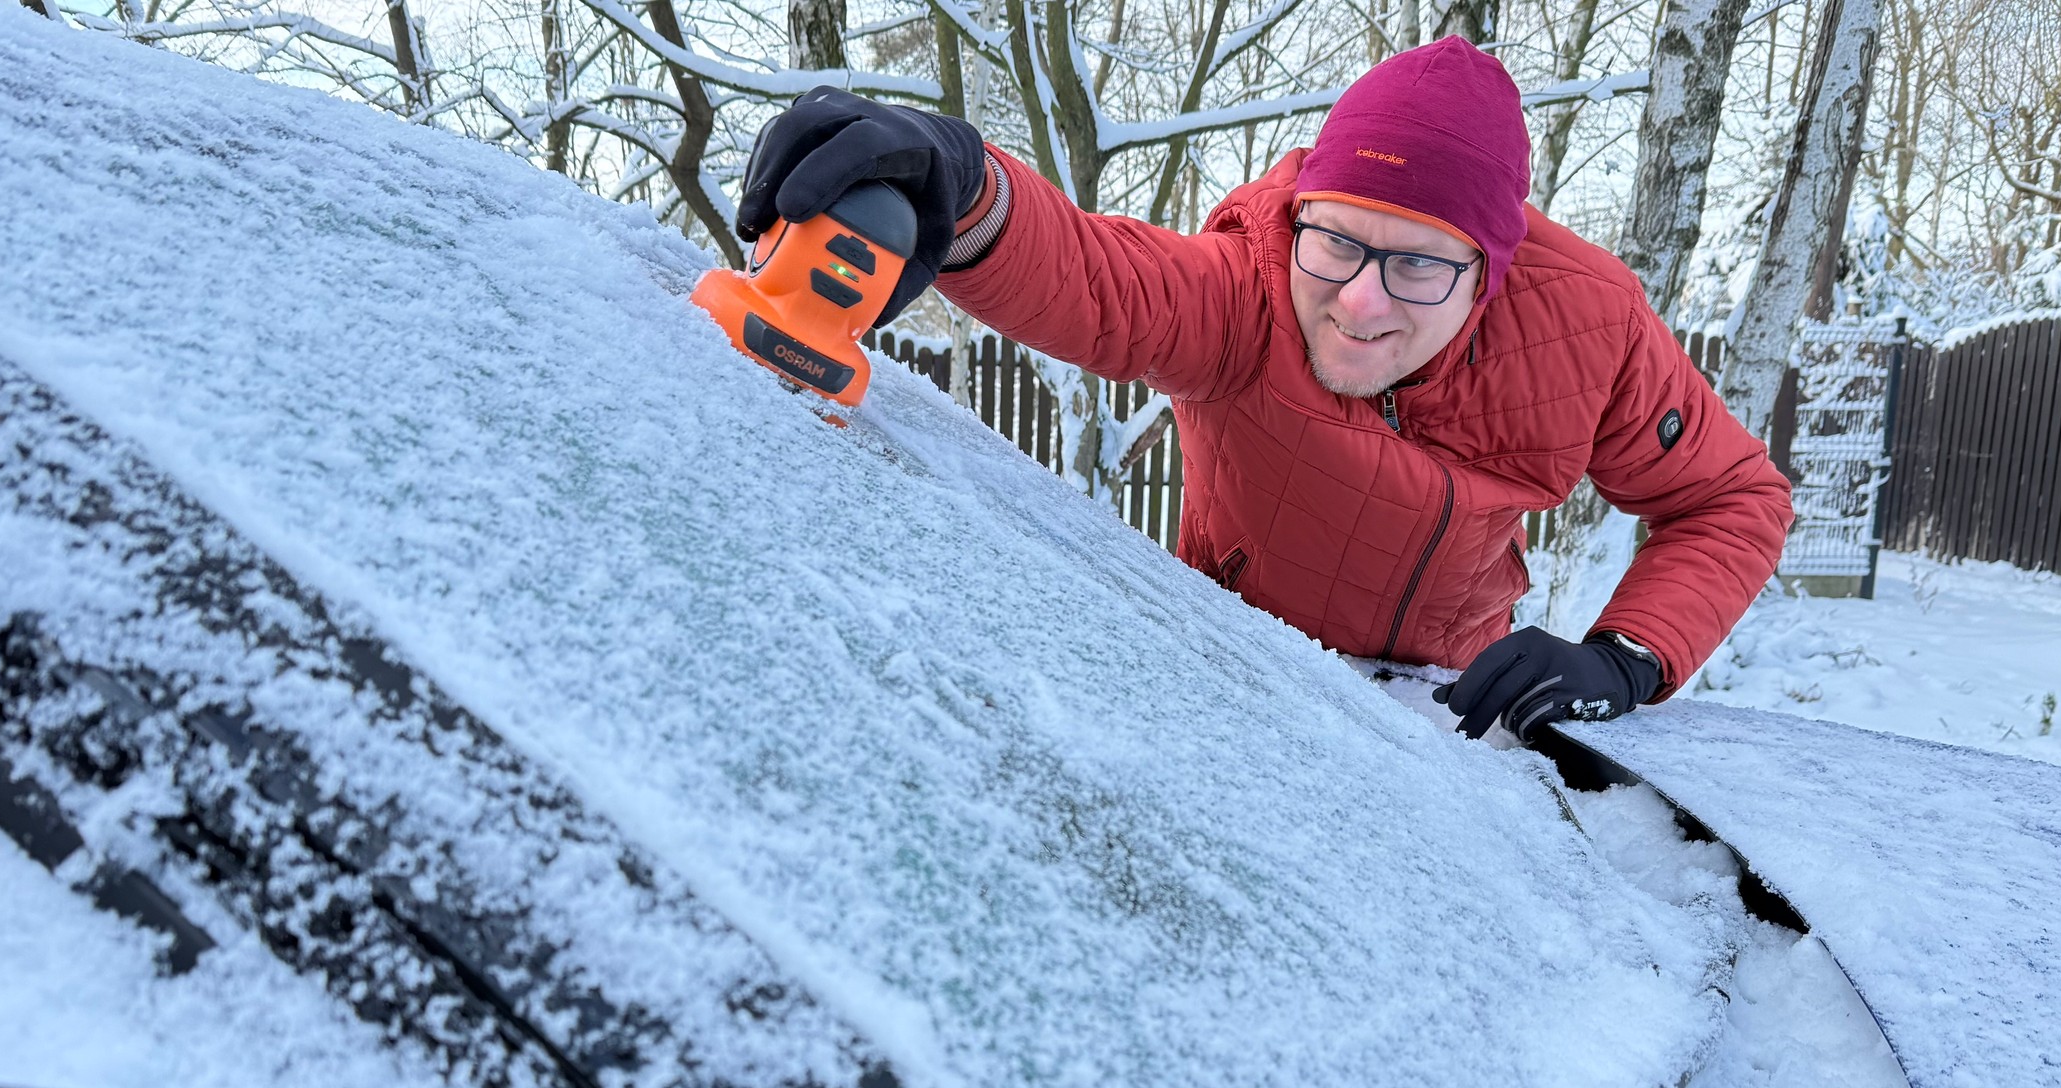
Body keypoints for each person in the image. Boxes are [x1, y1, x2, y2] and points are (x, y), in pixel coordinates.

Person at [733, 37, 1793, 742]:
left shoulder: (1589, 329)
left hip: (1443, 723)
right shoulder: (1249, 290)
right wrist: (965, 186)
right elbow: (1100, 278)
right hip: (1226, 690)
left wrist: (1627, 657)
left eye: (1420, 266)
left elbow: (1732, 499)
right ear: (1302, 218)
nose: (1362, 304)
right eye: (1335, 241)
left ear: (1494, 271)